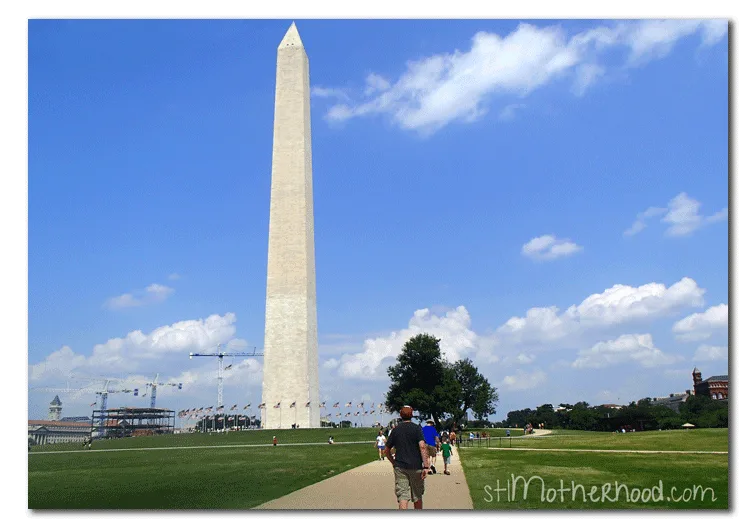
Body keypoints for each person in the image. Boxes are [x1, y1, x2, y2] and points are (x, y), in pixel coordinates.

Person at [384, 405, 430, 510]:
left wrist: (393, 462)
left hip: (400, 466)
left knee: (403, 496)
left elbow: (386, 450)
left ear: (400, 415)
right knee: (417, 495)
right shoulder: (417, 429)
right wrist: (426, 466)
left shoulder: (396, 430)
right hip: (416, 466)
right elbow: (422, 446)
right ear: (412, 414)